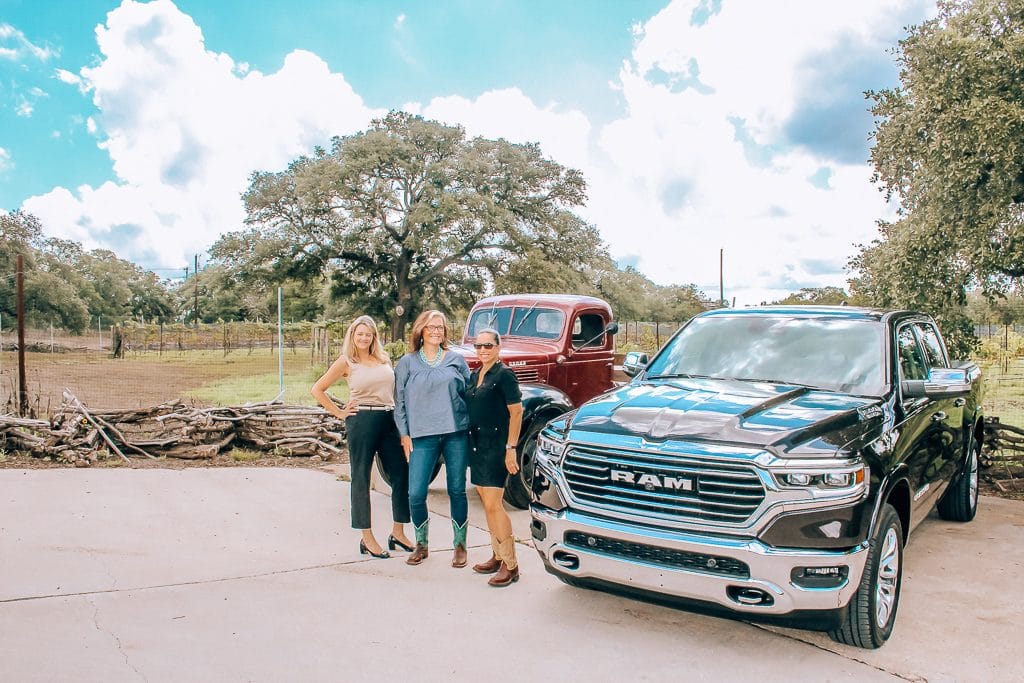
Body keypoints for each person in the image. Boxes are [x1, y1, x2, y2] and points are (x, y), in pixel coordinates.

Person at [311, 315, 414, 560]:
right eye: (360, 334)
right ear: (352, 337)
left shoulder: (383, 358)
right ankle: (367, 537)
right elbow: (317, 389)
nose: (364, 338)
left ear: (374, 337)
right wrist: (339, 412)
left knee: (401, 475)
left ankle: (398, 532)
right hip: (362, 420)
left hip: (388, 419)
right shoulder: (347, 361)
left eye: (368, 334)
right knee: (361, 477)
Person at [394, 309, 472, 567]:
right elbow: (400, 402)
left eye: (440, 327)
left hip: (455, 433)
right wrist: (404, 434)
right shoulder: (407, 362)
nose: (436, 331)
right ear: (421, 331)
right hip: (422, 436)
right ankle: (421, 543)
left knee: (457, 490)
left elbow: (469, 395)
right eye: (431, 327)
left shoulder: (456, 360)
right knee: (415, 493)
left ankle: (460, 545)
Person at [465, 328, 523, 587]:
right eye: (478, 346)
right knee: (486, 502)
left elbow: (517, 412)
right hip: (476, 445)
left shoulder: (505, 375)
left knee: (494, 504)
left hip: (496, 445)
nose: (483, 350)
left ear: (498, 347)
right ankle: (497, 555)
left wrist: (511, 448)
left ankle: (511, 565)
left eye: (488, 346)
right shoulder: (476, 374)